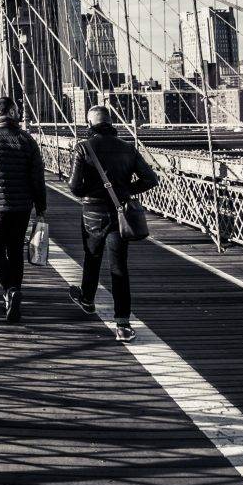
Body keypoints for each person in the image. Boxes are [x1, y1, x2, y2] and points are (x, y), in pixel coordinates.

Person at [66, 104, 159, 342]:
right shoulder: (128, 148)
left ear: (90, 124)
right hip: (120, 212)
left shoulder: (83, 148)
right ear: (110, 123)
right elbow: (151, 178)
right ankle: (123, 324)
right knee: (119, 266)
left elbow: (75, 188)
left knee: (92, 256)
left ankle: (87, 299)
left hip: (93, 213)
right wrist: (126, 190)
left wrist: (93, 193)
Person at [0, 96, 47, 322]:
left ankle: (9, 290)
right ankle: (14, 291)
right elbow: (37, 178)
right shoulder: (27, 140)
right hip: (22, 206)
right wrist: (41, 207)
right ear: (12, 112)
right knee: (15, 250)